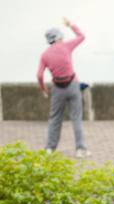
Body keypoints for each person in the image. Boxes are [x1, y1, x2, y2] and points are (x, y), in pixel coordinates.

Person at [37, 18, 90, 158]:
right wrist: (71, 24)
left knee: (55, 119)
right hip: (72, 85)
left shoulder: (45, 55)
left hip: (57, 89)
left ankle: (49, 149)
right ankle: (80, 150)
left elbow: (39, 75)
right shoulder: (66, 46)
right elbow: (82, 36)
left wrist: (43, 89)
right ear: (58, 37)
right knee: (76, 118)